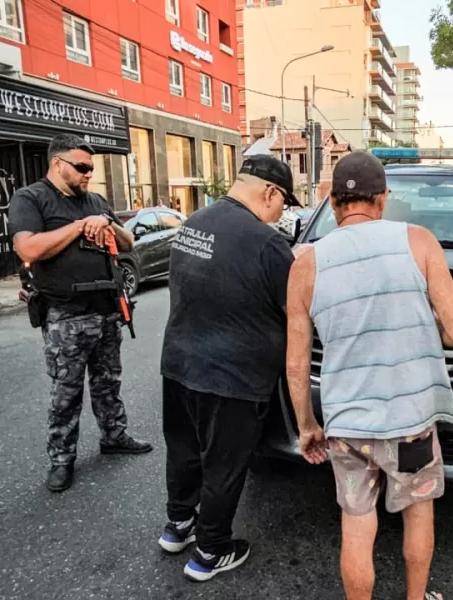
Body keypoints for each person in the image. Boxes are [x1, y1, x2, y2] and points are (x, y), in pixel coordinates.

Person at [285, 152, 453, 600]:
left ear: (333, 202)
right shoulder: (418, 241)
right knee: (417, 510)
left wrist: (307, 426)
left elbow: (296, 363)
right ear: (383, 199)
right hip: (411, 424)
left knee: (356, 523)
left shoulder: (306, 265)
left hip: (348, 425)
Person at [158, 154, 300, 582]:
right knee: (223, 464)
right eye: (284, 204)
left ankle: (177, 525)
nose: (283, 213)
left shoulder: (193, 224)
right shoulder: (268, 244)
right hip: (232, 377)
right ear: (270, 192)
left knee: (184, 451)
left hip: (179, 362)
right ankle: (210, 550)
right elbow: (298, 312)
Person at [8, 133, 153, 493]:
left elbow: (128, 243)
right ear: (58, 164)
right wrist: (77, 226)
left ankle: (114, 435)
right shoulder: (32, 198)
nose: (89, 173)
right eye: (82, 167)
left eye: (92, 167)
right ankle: (61, 460)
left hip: (106, 311)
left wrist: (107, 223)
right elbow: (27, 246)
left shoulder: (96, 200)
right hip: (66, 315)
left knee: (108, 383)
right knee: (66, 394)